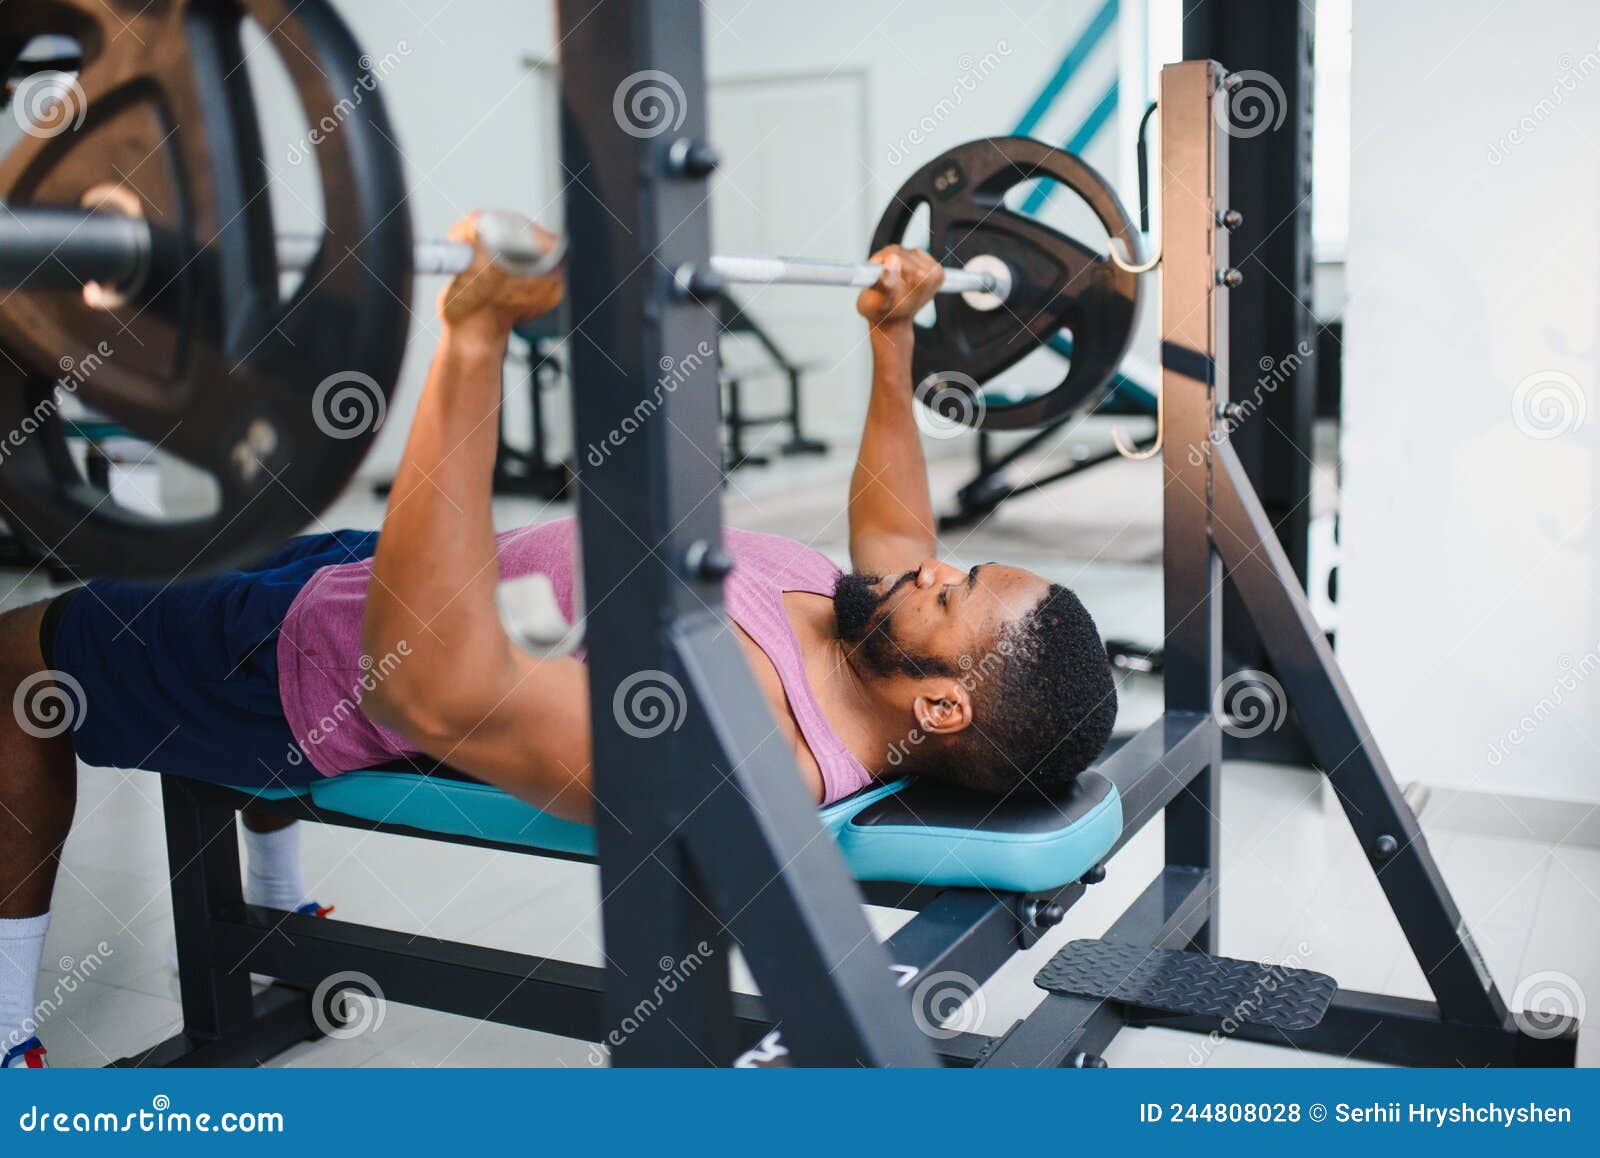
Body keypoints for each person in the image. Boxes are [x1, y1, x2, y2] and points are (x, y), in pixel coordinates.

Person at [0, 216, 1116, 1066]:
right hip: (378, 563)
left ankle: (7, 1035)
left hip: (297, 666)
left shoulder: (743, 733)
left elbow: (437, 688)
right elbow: (898, 529)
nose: (929, 566)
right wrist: (892, 339)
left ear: (941, 708)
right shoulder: (876, 632)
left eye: (953, 591)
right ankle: (282, 912)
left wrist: (473, 338)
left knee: (13, 663)